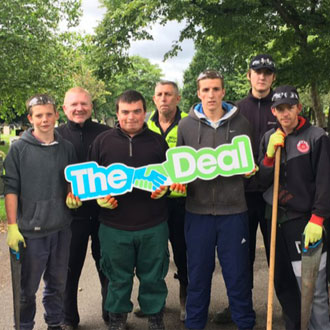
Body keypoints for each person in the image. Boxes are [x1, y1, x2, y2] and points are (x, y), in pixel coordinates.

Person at [89, 90, 181, 330]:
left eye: (137, 111)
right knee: (117, 277)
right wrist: (99, 197)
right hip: (113, 225)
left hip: (153, 223)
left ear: (144, 112)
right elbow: (89, 182)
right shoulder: (102, 142)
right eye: (125, 112)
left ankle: (155, 317)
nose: (131, 117)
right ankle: (117, 318)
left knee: (153, 275)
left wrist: (166, 190)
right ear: (117, 113)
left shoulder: (157, 142)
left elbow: (171, 178)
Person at [177, 70, 255, 330]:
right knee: (197, 277)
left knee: (238, 276)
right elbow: (180, 168)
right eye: (206, 90)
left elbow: (250, 163)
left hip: (233, 212)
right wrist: (178, 181)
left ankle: (245, 323)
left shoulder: (241, 123)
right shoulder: (186, 126)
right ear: (198, 93)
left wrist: (251, 169)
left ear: (223, 91)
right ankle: (195, 325)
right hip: (197, 213)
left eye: (215, 89)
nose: (211, 95)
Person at [259, 85, 330, 330]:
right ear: (274, 111)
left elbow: (325, 181)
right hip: (276, 221)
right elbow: (260, 182)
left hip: (306, 222)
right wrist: (268, 158)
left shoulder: (316, 136)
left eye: (290, 108)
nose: (285, 113)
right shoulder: (269, 137)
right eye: (280, 109)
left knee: (313, 288)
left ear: (299, 108)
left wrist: (318, 218)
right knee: (284, 284)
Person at [4, 94, 77, 330]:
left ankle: (54, 323)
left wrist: (72, 195)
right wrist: (12, 226)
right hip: (30, 232)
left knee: (57, 284)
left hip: (61, 228)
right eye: (39, 116)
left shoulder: (67, 148)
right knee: (27, 289)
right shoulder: (18, 149)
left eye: (49, 114)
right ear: (30, 118)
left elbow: (71, 181)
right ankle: (24, 325)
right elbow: (11, 189)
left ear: (57, 115)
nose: (44, 120)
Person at [215, 54, 277, 324]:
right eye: (257, 72)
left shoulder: (283, 105)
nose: (261, 76)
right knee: (241, 255)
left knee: (280, 254)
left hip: (276, 194)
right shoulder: (235, 110)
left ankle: (289, 303)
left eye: (267, 72)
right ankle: (239, 305)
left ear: (273, 77)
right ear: (249, 75)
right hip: (241, 194)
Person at [56, 87, 110, 329]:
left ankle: (112, 313)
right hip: (70, 216)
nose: (79, 108)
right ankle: (68, 318)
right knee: (69, 270)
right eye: (74, 104)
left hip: (104, 214)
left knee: (107, 266)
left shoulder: (107, 133)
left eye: (84, 104)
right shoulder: (55, 136)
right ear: (64, 109)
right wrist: (64, 193)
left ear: (91, 107)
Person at [146, 80, 188, 320]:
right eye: (159, 94)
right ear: (154, 99)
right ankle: (154, 302)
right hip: (153, 201)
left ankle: (185, 300)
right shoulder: (145, 126)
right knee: (154, 255)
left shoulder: (189, 124)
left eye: (169, 94)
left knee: (183, 253)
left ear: (177, 98)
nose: (164, 99)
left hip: (182, 202)